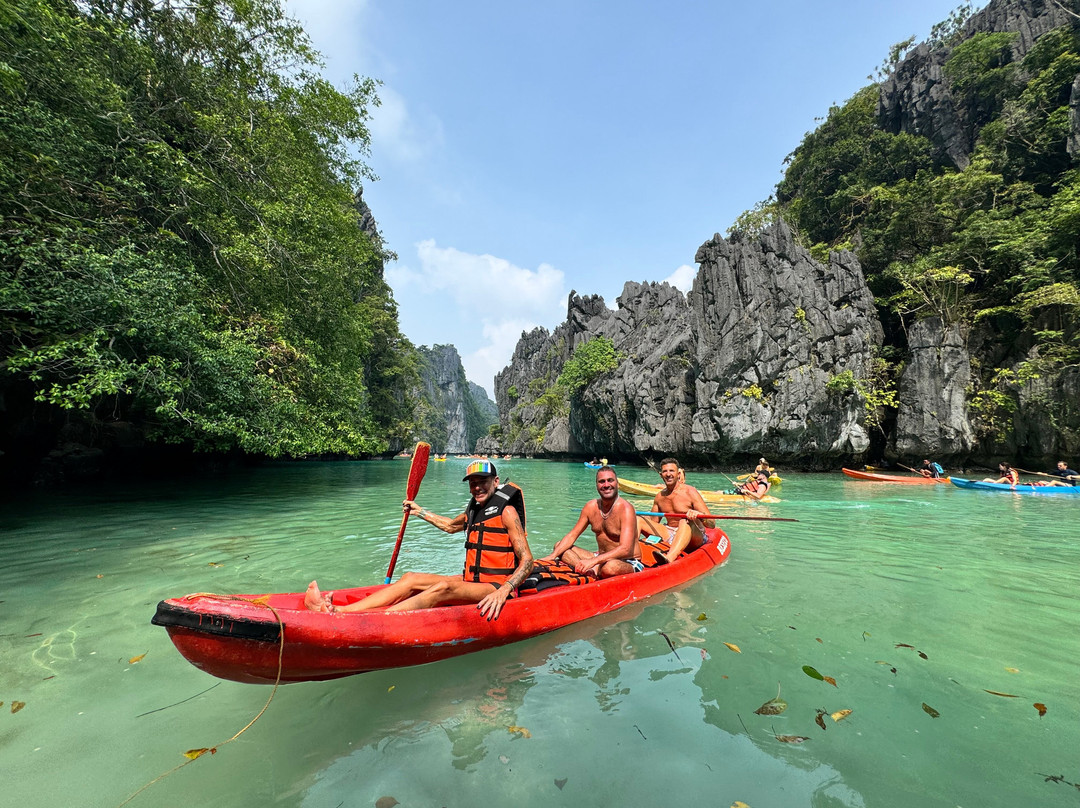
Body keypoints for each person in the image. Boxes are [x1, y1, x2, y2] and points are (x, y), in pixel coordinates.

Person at [304, 460, 533, 619]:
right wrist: (419, 511)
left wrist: (504, 590)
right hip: (472, 580)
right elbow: (449, 526)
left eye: (482, 480)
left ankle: (375, 618)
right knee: (411, 578)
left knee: (443, 587)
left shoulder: (506, 512)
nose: (477, 487)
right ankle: (341, 611)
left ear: (495, 481)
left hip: (496, 586)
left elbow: (527, 561)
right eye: (472, 482)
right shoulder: (476, 510)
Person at [541, 467, 642, 578]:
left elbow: (625, 549)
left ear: (617, 484)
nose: (606, 485)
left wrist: (594, 561)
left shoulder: (626, 509)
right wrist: (552, 556)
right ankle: (589, 572)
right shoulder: (590, 507)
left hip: (627, 561)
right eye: (601, 481)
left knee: (609, 568)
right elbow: (572, 535)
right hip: (601, 557)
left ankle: (593, 568)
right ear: (597, 485)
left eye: (610, 480)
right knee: (559, 546)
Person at [637, 458, 714, 565]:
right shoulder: (659, 497)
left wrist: (699, 515)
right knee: (638, 520)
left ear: (678, 474)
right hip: (670, 533)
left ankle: (669, 558)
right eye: (665, 471)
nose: (668, 474)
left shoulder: (690, 492)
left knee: (684, 520)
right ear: (661, 475)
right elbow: (653, 523)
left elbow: (712, 524)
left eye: (671, 471)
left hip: (693, 536)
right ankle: (631, 554)